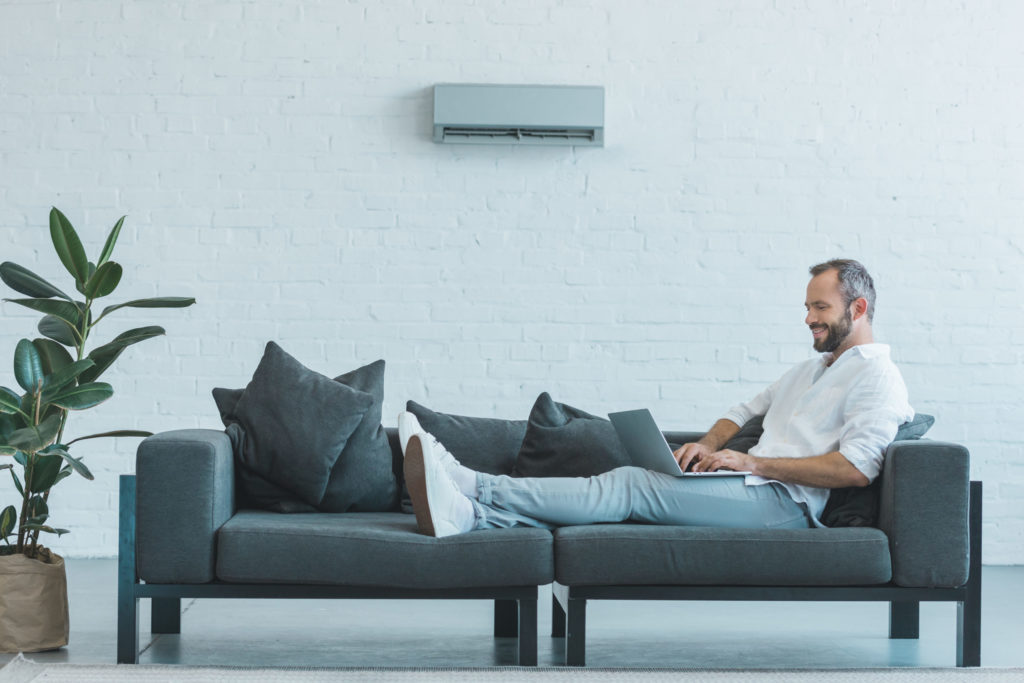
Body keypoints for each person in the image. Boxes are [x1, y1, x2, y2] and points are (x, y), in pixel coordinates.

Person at [401, 258, 914, 537]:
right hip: (747, 485)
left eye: (820, 307)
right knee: (635, 481)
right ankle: (470, 518)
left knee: (629, 486)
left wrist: (756, 466)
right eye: (806, 307)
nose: (808, 319)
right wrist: (707, 446)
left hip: (785, 504)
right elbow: (742, 412)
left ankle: (476, 487)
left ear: (859, 307)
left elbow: (855, 470)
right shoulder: (809, 369)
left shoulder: (878, 377)